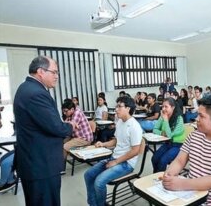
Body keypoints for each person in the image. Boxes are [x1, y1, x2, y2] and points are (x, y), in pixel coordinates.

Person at [13, 56, 77, 206]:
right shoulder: (37, 94)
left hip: (35, 162)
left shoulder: (27, 88)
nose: (57, 76)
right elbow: (56, 127)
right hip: (41, 165)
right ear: (41, 71)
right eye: (54, 72)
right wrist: (71, 125)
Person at [162, 96, 211, 205]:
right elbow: (179, 161)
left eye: (201, 116)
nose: (196, 119)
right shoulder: (194, 136)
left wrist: (181, 184)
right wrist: (169, 175)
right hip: (192, 196)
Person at [84, 96, 143, 206]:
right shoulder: (120, 122)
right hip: (115, 158)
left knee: (99, 182)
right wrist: (103, 144)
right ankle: (93, 203)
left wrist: (116, 162)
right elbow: (116, 140)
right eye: (116, 106)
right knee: (88, 175)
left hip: (126, 163)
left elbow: (135, 151)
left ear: (128, 109)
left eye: (119, 107)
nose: (116, 109)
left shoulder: (134, 126)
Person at [151, 98, 186, 173]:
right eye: (162, 106)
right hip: (167, 143)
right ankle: (156, 176)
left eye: (166, 107)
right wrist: (161, 133)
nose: (163, 109)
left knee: (163, 161)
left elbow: (169, 135)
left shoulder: (179, 119)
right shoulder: (163, 116)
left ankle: (160, 179)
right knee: (154, 158)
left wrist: (166, 120)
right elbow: (155, 129)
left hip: (178, 145)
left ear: (173, 107)